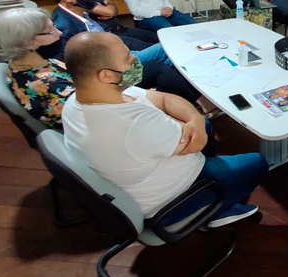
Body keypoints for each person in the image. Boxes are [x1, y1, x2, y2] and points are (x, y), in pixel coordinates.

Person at [61, 31, 269, 226]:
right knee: (258, 162)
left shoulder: (79, 100)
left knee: (203, 124)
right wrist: (192, 122)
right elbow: (196, 142)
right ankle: (216, 209)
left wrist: (195, 118)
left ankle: (216, 191)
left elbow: (162, 97)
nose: (135, 59)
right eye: (127, 58)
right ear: (105, 75)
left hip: (147, 176)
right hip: (170, 203)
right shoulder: (134, 123)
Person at [0, 8, 207, 130]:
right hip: (112, 124)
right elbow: (98, 113)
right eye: (49, 31)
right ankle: (202, 111)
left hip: (104, 98)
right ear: (29, 42)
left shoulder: (21, 67)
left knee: (155, 66)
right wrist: (141, 96)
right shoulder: (46, 85)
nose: (59, 33)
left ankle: (197, 104)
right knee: (161, 74)